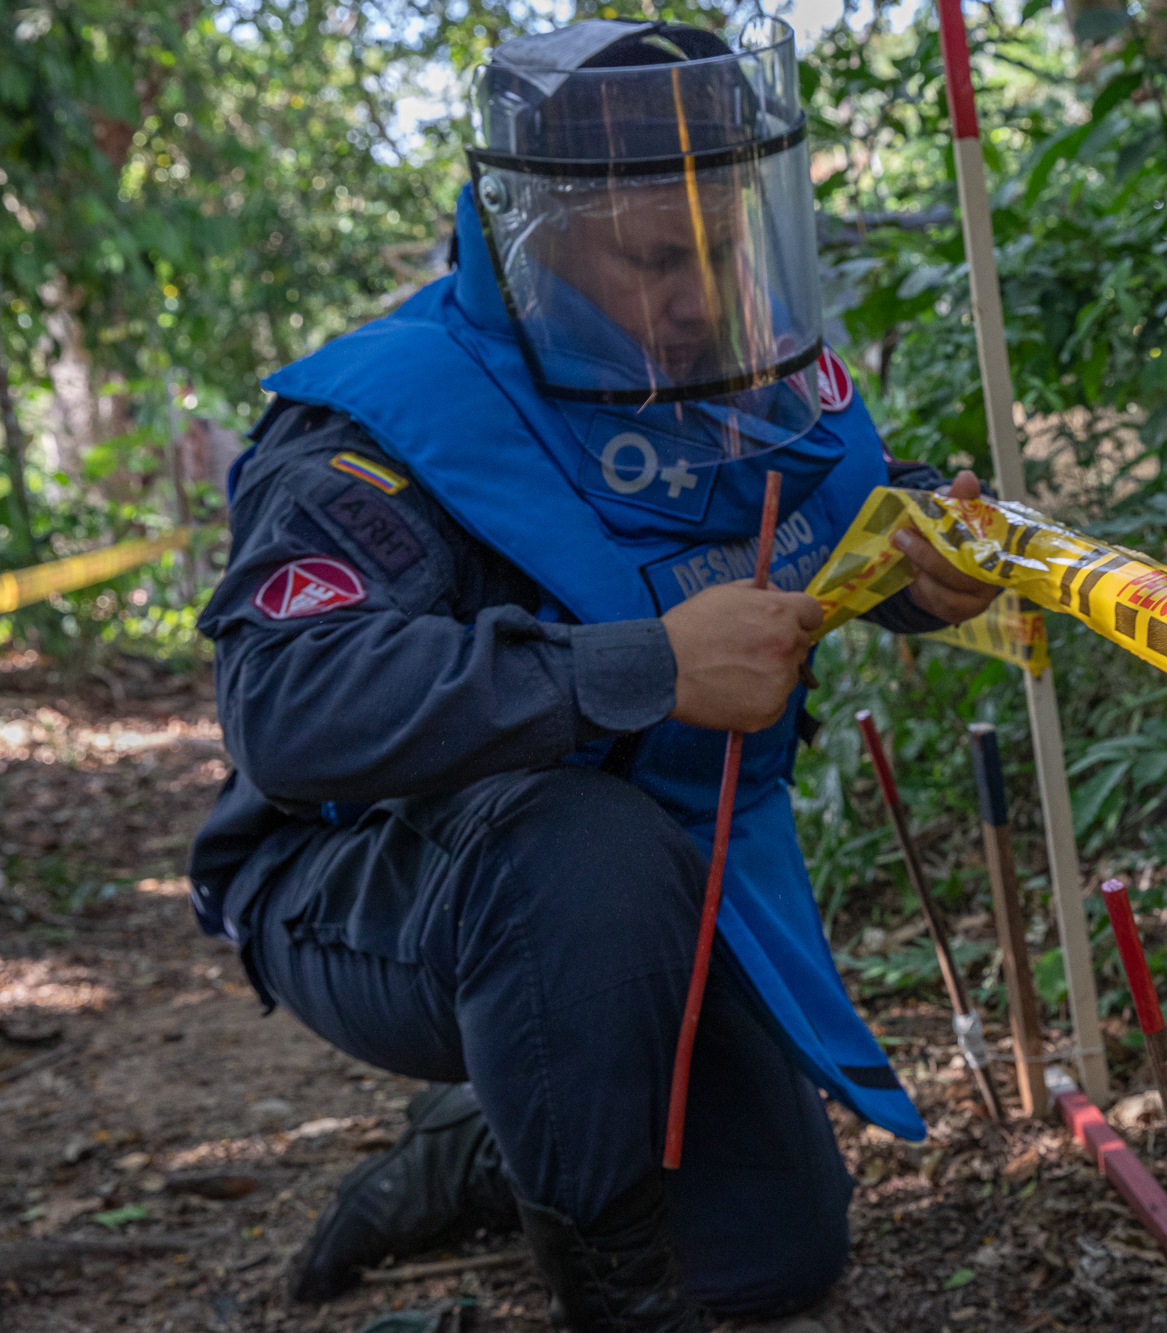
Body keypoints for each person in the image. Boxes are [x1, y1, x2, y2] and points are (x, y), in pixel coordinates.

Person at [184, 18, 998, 1331]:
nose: (700, 293)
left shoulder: (728, 371)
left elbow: (825, 512)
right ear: (541, 242)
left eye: (726, 248)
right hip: (362, 881)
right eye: (655, 260)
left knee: (779, 1255)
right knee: (581, 846)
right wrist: (646, 667)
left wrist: (922, 560)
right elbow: (289, 706)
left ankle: (491, 1140)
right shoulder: (384, 419)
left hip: (658, 890)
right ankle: (612, 1299)